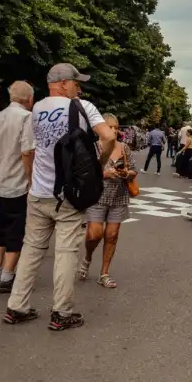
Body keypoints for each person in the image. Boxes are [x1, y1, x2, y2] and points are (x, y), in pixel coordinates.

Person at [4, 63, 116, 331]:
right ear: (64, 83)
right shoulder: (82, 107)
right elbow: (109, 136)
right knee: (66, 252)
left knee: (32, 249)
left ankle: (16, 306)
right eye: (77, 82)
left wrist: (32, 180)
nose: (80, 87)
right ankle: (61, 313)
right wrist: (99, 165)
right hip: (69, 194)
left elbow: (29, 150)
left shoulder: (36, 109)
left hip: (39, 193)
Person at [0, 81, 34, 292]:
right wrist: (29, 177)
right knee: (15, 229)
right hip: (17, 184)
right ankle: (7, 275)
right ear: (29, 99)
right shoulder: (26, 118)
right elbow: (27, 151)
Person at [80, 113, 137, 289]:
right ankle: (88, 257)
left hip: (118, 196)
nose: (114, 130)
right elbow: (84, 173)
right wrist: (104, 174)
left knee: (112, 236)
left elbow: (134, 170)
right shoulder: (93, 148)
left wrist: (126, 173)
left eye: (116, 127)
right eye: (110, 127)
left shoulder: (124, 148)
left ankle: (104, 273)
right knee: (94, 235)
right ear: (101, 129)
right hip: (97, 196)